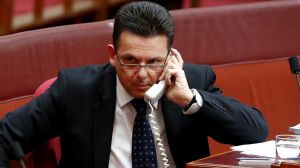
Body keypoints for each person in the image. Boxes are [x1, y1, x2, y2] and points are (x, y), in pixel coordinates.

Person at [0, 1, 268, 168]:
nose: (142, 74)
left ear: (171, 57)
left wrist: (190, 100)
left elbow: (255, 133)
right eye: (130, 61)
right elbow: (5, 136)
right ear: (112, 55)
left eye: (153, 62)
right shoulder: (76, 89)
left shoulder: (193, 82)